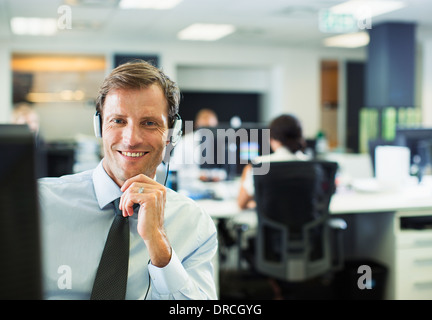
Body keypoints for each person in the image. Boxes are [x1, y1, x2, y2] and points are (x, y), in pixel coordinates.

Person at [38, 60, 218, 300]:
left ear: (172, 134)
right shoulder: (40, 204)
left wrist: (161, 250)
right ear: (99, 126)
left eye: (149, 123)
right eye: (118, 121)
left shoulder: (195, 224)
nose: (131, 139)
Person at [237, 113, 309, 210]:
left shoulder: (259, 165)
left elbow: (241, 203)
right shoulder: (313, 166)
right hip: (304, 224)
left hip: (270, 225)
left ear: (273, 138)